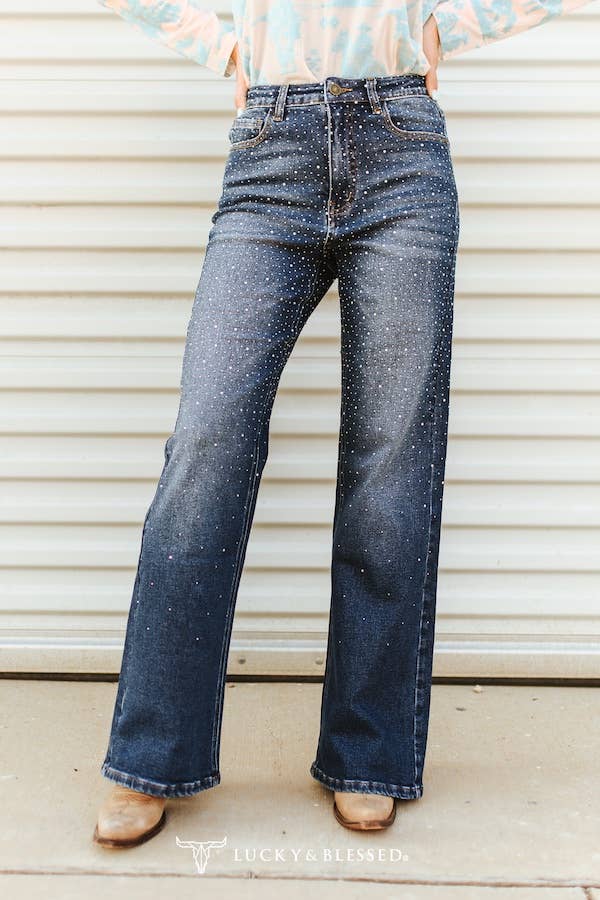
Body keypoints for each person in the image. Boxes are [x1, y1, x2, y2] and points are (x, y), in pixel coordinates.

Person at [93, 0, 592, 848]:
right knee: (208, 441)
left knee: (390, 463)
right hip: (270, 149)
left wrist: (449, 28)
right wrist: (225, 46)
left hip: (402, 146)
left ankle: (368, 753)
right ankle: (151, 754)